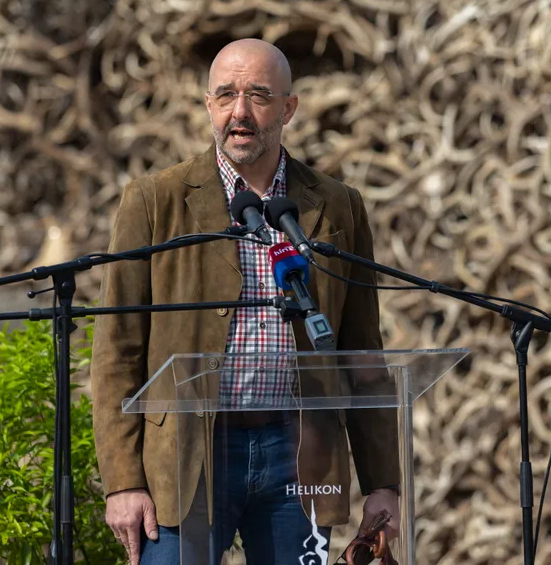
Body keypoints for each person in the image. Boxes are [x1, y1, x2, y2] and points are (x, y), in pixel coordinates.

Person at [91, 38, 402, 565]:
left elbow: (362, 354)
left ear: (288, 108)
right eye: (226, 95)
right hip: (188, 453)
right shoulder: (155, 201)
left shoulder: (336, 206)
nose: (240, 112)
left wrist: (383, 481)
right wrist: (122, 481)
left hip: (299, 452)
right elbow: (117, 352)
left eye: (258, 95)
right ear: (208, 106)